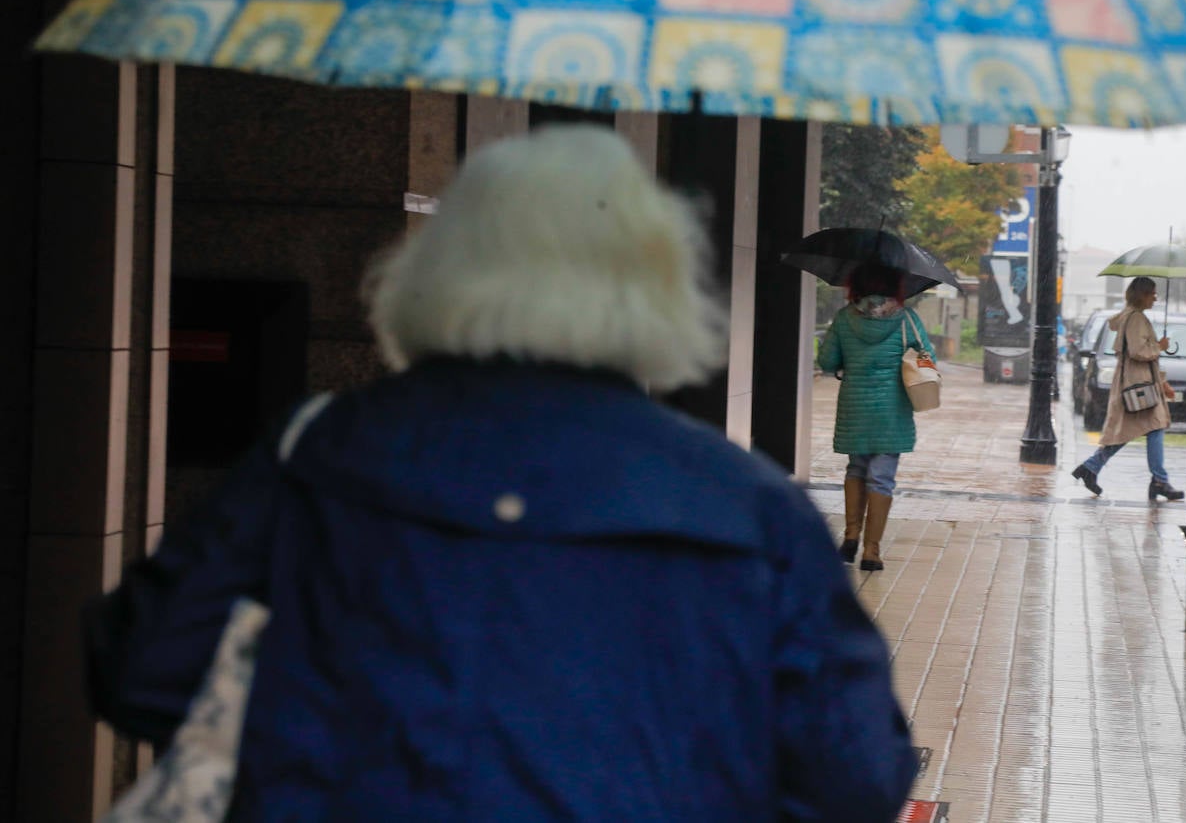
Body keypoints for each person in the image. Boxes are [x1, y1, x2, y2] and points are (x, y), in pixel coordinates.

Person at [81, 125, 918, 820]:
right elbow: (858, 775)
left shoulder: (319, 453)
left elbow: (144, 667)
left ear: (439, 270)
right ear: (657, 285)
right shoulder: (750, 507)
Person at [817, 262, 933, 571]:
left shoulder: (844, 319)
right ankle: (871, 551)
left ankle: (851, 534)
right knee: (882, 478)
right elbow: (927, 358)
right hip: (891, 411)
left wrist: (848, 360)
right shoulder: (907, 319)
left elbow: (826, 360)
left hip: (856, 407)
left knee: (856, 468)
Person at [1071, 276, 1186, 502]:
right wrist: (1159, 346)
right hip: (1137, 386)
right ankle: (1159, 481)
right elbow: (1138, 352)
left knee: (1127, 431)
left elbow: (1142, 357)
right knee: (1152, 427)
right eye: (1151, 293)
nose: (1155, 297)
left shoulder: (1133, 317)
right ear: (1141, 294)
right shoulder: (1135, 319)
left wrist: (1162, 383)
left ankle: (1091, 467)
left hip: (1138, 383)